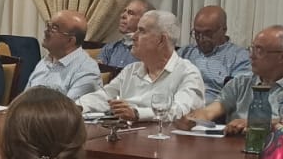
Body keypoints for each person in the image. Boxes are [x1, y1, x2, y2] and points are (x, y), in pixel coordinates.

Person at [77, 10, 205, 123]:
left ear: (161, 40)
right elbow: (104, 97)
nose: (133, 36)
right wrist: (77, 107)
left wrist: (137, 113)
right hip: (126, 136)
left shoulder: (188, 73)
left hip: (165, 139)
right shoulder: (131, 70)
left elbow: (181, 111)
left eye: (142, 31)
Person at [185, 26, 283, 134]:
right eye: (252, 48)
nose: (251, 56)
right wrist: (193, 119)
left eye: (259, 51)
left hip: (278, 150)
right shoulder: (240, 83)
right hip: (233, 148)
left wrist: (253, 124)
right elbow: (211, 110)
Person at [177, 5, 252, 101]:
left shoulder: (239, 57)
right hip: (178, 103)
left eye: (207, 33)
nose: (201, 38)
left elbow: (238, 94)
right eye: (197, 33)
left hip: (211, 107)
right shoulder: (185, 52)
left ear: (223, 30)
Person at [28, 10, 102, 99]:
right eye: (48, 25)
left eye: (54, 28)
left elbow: (69, 107)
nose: (45, 31)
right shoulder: (46, 61)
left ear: (70, 40)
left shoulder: (87, 71)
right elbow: (24, 98)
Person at [96, 0, 150, 70]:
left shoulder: (149, 52)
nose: (122, 16)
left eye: (130, 13)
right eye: (124, 11)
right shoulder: (110, 47)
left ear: (144, 20)